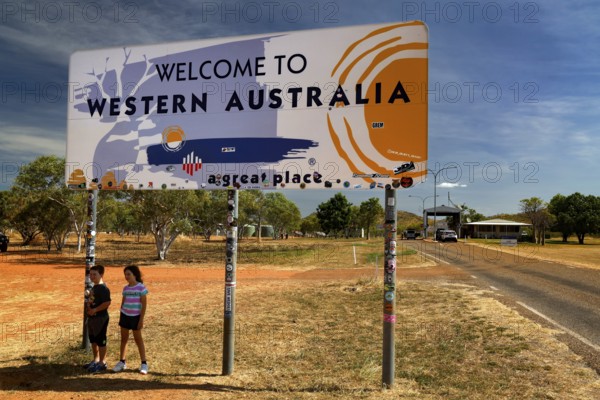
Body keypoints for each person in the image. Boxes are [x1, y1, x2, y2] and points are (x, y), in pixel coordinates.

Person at [113, 265, 149, 374]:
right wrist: (121, 315)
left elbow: (144, 304)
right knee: (124, 339)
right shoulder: (125, 288)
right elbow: (123, 303)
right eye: (125, 274)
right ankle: (122, 362)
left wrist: (141, 319)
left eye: (129, 274)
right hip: (125, 316)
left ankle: (144, 363)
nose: (126, 276)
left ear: (135, 275)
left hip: (136, 317)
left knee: (138, 340)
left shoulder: (141, 288)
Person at [84, 265, 111, 373]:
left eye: (94, 274)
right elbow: (92, 300)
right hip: (92, 318)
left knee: (101, 340)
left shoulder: (104, 288)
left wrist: (95, 310)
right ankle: (96, 360)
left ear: (101, 275)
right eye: (90, 274)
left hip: (100, 318)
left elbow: (107, 303)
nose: (92, 276)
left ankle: (102, 363)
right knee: (93, 340)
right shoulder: (94, 287)